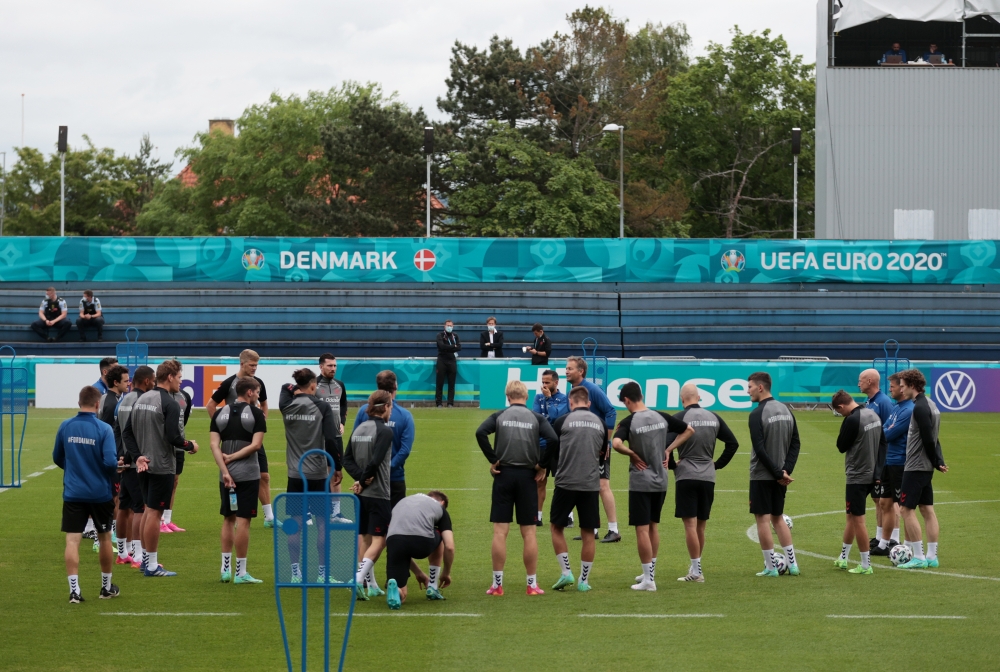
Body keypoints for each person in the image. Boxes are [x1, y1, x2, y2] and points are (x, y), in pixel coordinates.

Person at [475, 380, 558, 596]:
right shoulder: (536, 417)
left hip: (504, 475)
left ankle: (497, 585)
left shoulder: (499, 416)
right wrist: (542, 465)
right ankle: (531, 585)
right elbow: (553, 439)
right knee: (529, 532)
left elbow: (480, 433)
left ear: (508, 397)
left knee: (500, 532)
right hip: (528, 476)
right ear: (526, 397)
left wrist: (493, 459)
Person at [612, 382, 693, 591]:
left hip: (641, 480)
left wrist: (632, 454)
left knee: (641, 529)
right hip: (661, 480)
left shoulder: (629, 421)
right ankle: (649, 572)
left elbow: (616, 444)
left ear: (627, 400)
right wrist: (668, 449)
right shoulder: (661, 416)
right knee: (653, 526)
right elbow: (689, 430)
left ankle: (649, 580)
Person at [120, 359, 198, 577]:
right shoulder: (170, 403)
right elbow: (174, 438)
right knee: (155, 512)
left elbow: (127, 433)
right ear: (171, 377)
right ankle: (152, 565)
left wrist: (137, 457)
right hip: (162, 465)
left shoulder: (141, 398)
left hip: (143, 465)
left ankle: (145, 560)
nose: (181, 383)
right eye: (180, 378)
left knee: (147, 510)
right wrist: (191, 445)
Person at [667, 382, 739, 583]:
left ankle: (697, 571)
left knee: (689, 525)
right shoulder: (713, 417)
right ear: (699, 398)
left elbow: (666, 445)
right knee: (701, 526)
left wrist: (673, 465)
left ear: (682, 400)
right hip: (707, 476)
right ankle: (695, 566)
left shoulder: (679, 418)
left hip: (686, 475)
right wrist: (716, 465)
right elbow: (733, 444)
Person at [54, 385, 120, 603]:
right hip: (99, 493)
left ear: (79, 402)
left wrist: (75, 469)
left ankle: (74, 590)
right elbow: (110, 462)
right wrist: (106, 470)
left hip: (73, 492)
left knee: (72, 541)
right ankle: (106, 587)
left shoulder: (66, 426)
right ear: (98, 404)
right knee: (104, 539)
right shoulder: (103, 429)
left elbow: (57, 457)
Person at [279, 368, 342, 583]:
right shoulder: (322, 406)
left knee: (294, 523)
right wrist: (338, 467)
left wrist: (295, 387)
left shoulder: (286, 406)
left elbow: (284, 389)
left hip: (295, 473)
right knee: (323, 523)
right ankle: (323, 573)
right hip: (316, 473)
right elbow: (332, 439)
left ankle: (296, 572)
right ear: (314, 384)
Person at [546, 386, 605, 592]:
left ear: (570, 403)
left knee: (556, 527)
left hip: (566, 482)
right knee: (588, 532)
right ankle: (583, 581)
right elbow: (602, 453)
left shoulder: (562, 421)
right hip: (590, 484)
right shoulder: (601, 423)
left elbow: (552, 448)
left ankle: (566, 572)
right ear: (588, 404)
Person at [207, 349, 274, 528]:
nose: (254, 368)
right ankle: (236, 515)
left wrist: (262, 420)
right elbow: (211, 405)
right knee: (234, 476)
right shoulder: (230, 383)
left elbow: (265, 403)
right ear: (242, 364)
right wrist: (223, 428)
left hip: (253, 437)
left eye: (256, 365)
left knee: (264, 475)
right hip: (234, 439)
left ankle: (269, 517)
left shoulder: (258, 382)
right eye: (252, 365)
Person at [209, 377, 266, 584]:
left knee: (228, 518)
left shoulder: (219, 413)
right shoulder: (257, 414)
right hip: (248, 474)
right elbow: (256, 445)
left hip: (225, 476)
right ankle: (241, 572)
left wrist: (225, 470)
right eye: (258, 392)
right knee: (244, 521)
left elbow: (214, 445)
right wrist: (233, 458)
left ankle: (225, 569)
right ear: (249, 392)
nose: (259, 396)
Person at [747, 371, 801, 577]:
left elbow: (759, 449)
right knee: (778, 518)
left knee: (763, 519)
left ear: (760, 387)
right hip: (781, 476)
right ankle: (793, 565)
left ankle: (771, 567)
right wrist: (785, 470)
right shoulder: (786, 410)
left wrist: (779, 472)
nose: (747, 390)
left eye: (750, 386)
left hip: (762, 475)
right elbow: (796, 443)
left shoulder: (756, 414)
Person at [344, 390, 396, 601]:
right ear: (384, 407)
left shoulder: (359, 428)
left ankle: (371, 585)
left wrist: (358, 480)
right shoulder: (384, 431)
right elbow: (375, 461)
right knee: (380, 540)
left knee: (364, 537)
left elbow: (346, 460)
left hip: (361, 495)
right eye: (391, 406)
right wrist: (364, 480)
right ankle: (358, 578)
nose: (391, 411)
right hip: (378, 493)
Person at [895, 369, 948, 569]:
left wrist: (935, 460)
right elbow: (935, 438)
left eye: (902, 385)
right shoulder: (932, 405)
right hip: (925, 467)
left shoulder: (919, 407)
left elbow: (927, 438)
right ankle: (932, 557)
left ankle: (918, 556)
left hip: (916, 466)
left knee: (905, 509)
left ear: (911, 385)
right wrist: (938, 460)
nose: (900, 388)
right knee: (927, 509)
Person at [565, 356, 620, 543]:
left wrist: (606, 442)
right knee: (586, 486)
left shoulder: (593, 390)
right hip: (583, 446)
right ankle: (592, 528)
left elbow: (611, 411)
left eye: (570, 368)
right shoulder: (573, 390)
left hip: (598, 446)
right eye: (566, 368)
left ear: (581, 371)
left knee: (603, 486)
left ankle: (614, 529)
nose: (566, 371)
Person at [831, 390, 886, 576]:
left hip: (857, 476)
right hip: (872, 474)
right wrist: (878, 472)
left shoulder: (852, 420)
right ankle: (843, 557)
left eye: (839, 412)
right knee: (851, 518)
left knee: (859, 520)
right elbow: (883, 444)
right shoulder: (873, 414)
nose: (840, 415)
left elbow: (840, 446)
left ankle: (865, 564)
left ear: (841, 406)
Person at [383, 491, 455, 609]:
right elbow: (450, 546)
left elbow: (403, 545)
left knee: (403, 594)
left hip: (394, 541)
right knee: (440, 534)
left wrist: (418, 573)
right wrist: (446, 573)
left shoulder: (403, 502)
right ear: (442, 503)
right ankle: (432, 586)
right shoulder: (439, 508)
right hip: (422, 542)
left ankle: (397, 591)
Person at [113, 365, 154, 569]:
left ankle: (122, 552)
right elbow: (136, 433)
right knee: (140, 508)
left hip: (123, 460)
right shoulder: (141, 401)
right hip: (135, 461)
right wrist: (134, 457)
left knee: (124, 506)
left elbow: (118, 430)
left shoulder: (124, 400)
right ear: (146, 381)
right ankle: (138, 555)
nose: (154, 384)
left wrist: (119, 456)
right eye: (153, 381)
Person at [871, 372, 913, 555]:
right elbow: (885, 428)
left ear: (902, 388)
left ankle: (904, 544)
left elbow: (888, 434)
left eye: (894, 387)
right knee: (884, 503)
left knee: (902, 507)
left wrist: (884, 432)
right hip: (888, 462)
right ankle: (883, 544)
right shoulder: (897, 408)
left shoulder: (909, 409)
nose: (891, 390)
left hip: (899, 463)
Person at [859, 369, 893, 549]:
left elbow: (889, 430)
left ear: (870, 381)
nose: (859, 383)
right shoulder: (870, 402)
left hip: (883, 460)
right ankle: (880, 537)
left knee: (887, 501)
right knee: (877, 499)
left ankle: (892, 538)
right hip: (872, 459)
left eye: (861, 380)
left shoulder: (884, 402)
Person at [97, 365, 129, 554]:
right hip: (111, 457)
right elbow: (106, 433)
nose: (129, 383)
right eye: (125, 380)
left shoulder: (107, 399)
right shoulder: (111, 404)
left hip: (110, 455)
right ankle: (105, 535)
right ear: (115, 382)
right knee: (113, 498)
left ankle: (108, 533)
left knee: (112, 497)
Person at [532, 369, 569, 527]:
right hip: (541, 445)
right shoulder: (537, 397)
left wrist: (548, 400)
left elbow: (556, 417)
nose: (544, 385)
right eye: (543, 382)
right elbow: (536, 418)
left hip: (560, 445)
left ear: (556, 382)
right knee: (540, 481)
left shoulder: (564, 399)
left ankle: (567, 516)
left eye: (547, 382)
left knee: (563, 481)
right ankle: (538, 516)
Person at [316, 354, 350, 522]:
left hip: (336, 437)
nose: (333, 369)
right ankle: (311, 511)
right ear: (321, 367)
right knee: (316, 474)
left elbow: (343, 404)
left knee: (336, 472)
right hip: (318, 438)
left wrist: (342, 422)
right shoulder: (313, 385)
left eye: (335, 366)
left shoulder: (340, 385)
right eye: (329, 366)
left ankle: (336, 513)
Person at [161, 360, 192, 534]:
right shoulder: (158, 396)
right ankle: (158, 520)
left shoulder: (184, 397)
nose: (181, 381)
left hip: (178, 446)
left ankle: (167, 519)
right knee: (162, 483)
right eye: (179, 377)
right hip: (162, 448)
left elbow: (183, 421)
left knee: (174, 481)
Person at [435, 320, 461, 407]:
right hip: (442, 360)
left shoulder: (455, 336)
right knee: (440, 383)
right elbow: (441, 346)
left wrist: (448, 348)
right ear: (444, 326)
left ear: (453, 326)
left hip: (452, 360)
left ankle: (450, 403)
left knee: (451, 383)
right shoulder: (440, 335)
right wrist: (453, 346)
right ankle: (439, 403)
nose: (449, 327)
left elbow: (459, 347)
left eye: (451, 325)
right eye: (448, 325)